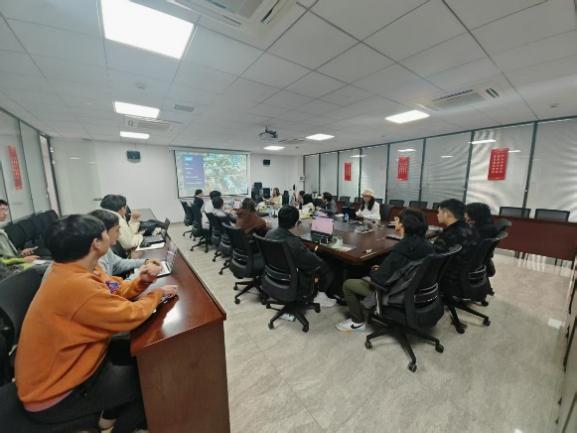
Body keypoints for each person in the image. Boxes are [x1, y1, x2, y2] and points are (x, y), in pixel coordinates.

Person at [14, 215, 177, 433]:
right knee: (153, 381)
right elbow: (129, 315)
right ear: (96, 243)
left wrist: (142, 280)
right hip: (55, 394)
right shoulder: (75, 285)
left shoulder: (77, 269)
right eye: (105, 233)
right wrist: (157, 294)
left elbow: (114, 289)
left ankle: (107, 417)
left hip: (73, 366)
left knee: (143, 355)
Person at [337, 209, 433, 332]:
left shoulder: (402, 248)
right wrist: (384, 268)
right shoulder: (427, 245)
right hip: (417, 290)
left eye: (397, 220)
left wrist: (373, 271)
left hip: (395, 293)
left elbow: (379, 279)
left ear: (403, 224)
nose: (394, 222)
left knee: (348, 284)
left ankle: (357, 322)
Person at [266, 206, 336, 307]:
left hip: (273, 277)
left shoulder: (269, 234)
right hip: (294, 280)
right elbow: (316, 262)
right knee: (327, 266)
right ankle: (319, 295)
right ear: (296, 224)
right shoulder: (294, 243)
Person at [90, 209, 160, 276]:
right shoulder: (96, 265)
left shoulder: (105, 249)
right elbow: (112, 285)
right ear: (104, 233)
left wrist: (145, 262)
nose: (120, 234)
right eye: (117, 230)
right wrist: (140, 274)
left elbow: (119, 264)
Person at [433, 199, 479, 295]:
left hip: (449, 277)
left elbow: (432, 260)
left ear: (447, 214)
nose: (437, 215)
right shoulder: (472, 228)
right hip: (466, 273)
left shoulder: (448, 235)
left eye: (439, 212)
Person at [0, 199, 39, 266]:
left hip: (14, 265)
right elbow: (2, 262)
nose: (6, 213)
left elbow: (9, 256)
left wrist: (21, 253)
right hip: (10, 269)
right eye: (2, 209)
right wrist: (22, 260)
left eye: (6, 210)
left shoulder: (2, 232)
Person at [465, 202, 499, 277]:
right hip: (482, 263)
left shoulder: (479, 232)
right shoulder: (489, 227)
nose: (465, 215)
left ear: (474, 215)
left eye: (466, 213)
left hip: (468, 266)